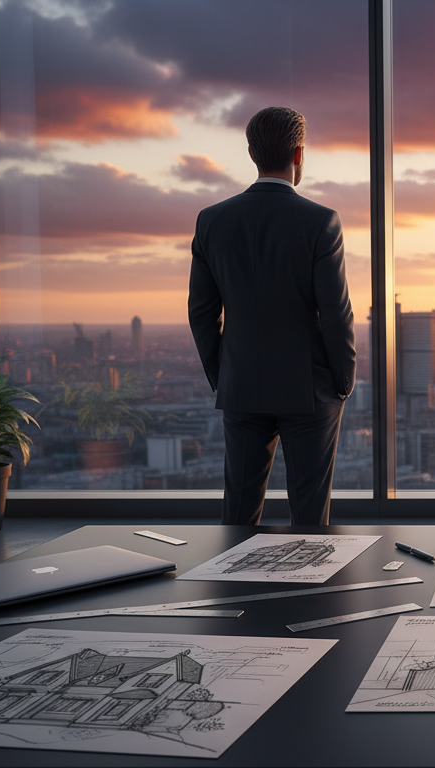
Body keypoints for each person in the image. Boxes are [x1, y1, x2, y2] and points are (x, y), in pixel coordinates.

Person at [188, 107, 356, 525]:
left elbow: (201, 312)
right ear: (299, 154)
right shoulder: (321, 222)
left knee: (239, 515)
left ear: (251, 153)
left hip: (242, 385)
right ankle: (307, 591)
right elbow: (336, 313)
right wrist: (344, 380)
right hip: (309, 388)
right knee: (309, 519)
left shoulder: (211, 221)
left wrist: (224, 375)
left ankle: (231, 588)